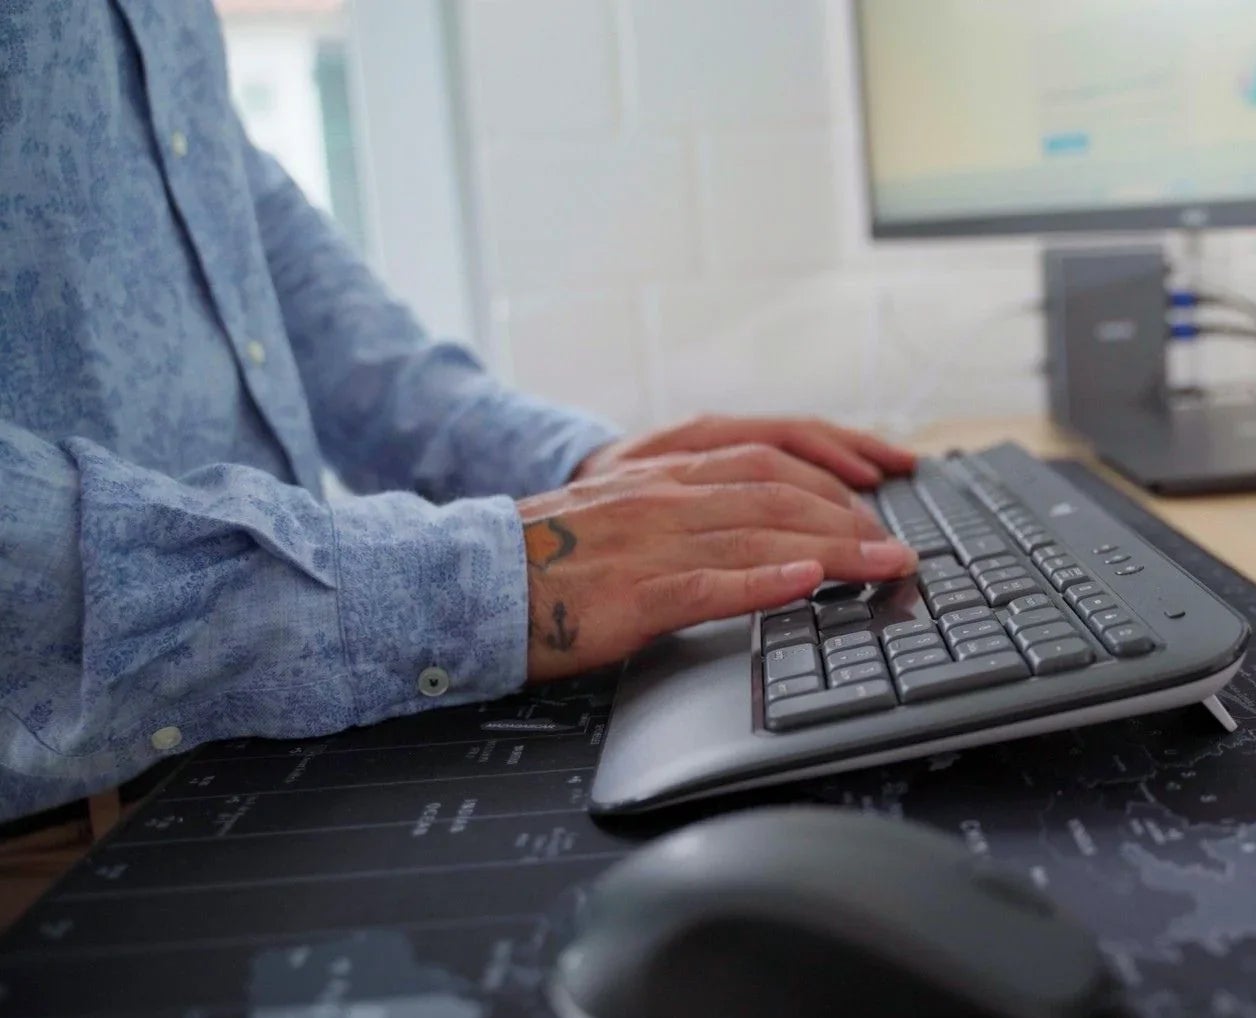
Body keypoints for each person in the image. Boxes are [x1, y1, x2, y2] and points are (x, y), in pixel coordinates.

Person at [0, 2, 920, 823]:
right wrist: (481, 578)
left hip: (259, 740)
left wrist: (569, 469)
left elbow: (236, 223)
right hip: (58, 823)